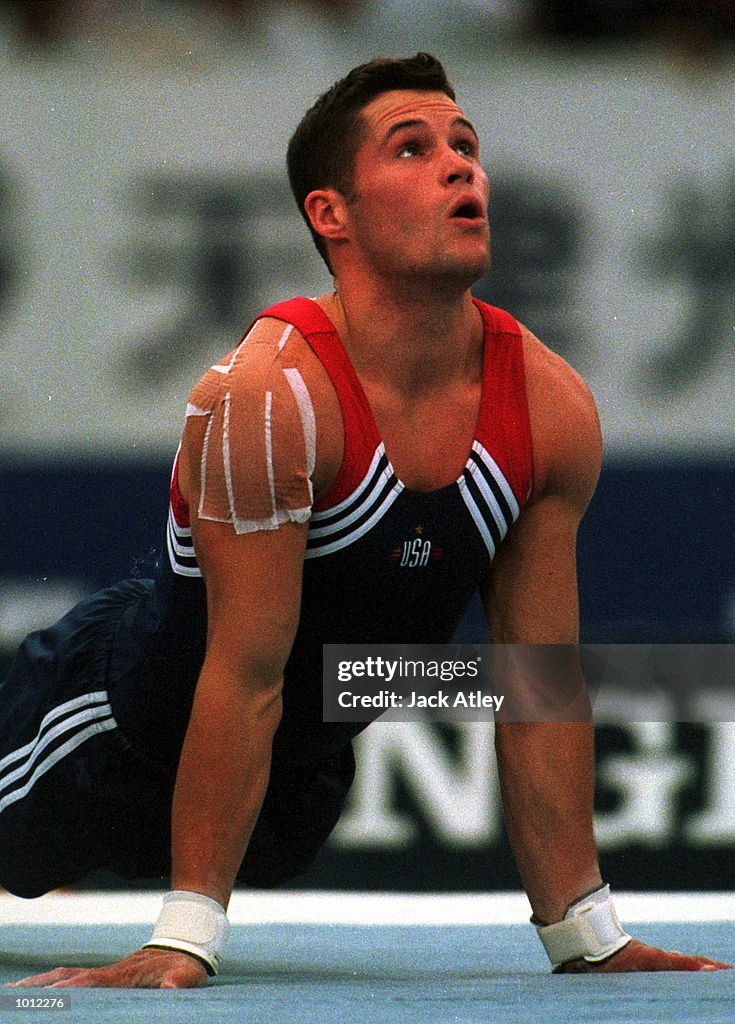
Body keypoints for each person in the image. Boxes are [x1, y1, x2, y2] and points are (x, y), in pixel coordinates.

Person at [2, 53, 729, 989]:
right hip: (112, 733)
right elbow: (242, 671)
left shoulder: (549, 406)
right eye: (413, 149)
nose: (460, 167)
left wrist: (587, 935)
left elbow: (534, 687)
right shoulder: (273, 394)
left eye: (465, 145)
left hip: (289, 787)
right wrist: (184, 938)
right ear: (329, 214)